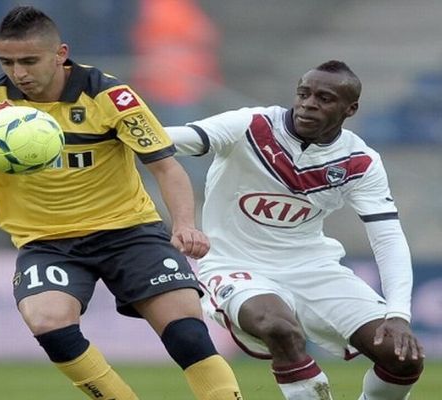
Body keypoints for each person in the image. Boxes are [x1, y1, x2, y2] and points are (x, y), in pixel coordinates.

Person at [0, 6, 243, 400]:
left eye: (29, 61)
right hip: (48, 244)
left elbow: (166, 168)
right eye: (8, 61)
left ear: (60, 54)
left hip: (128, 232)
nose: (19, 73)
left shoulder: (110, 96)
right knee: (47, 320)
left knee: (186, 330)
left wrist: (185, 224)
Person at [166, 60, 425, 400]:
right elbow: (173, 139)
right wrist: (117, 130)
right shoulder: (251, 126)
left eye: (324, 98)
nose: (308, 104)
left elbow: (388, 237)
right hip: (236, 266)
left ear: (351, 108)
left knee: (402, 357)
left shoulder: (359, 160)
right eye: (303, 94)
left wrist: (399, 314)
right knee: (279, 328)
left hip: (312, 268)